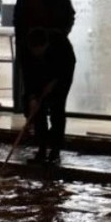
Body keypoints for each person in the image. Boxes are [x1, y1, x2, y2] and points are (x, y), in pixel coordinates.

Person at [13, 0, 75, 115]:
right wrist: (23, 40)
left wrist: (57, 36)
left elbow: (69, 16)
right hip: (29, 45)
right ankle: (36, 127)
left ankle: (53, 136)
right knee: (31, 91)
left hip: (53, 47)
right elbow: (18, 17)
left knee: (55, 103)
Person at [23, 27, 76, 165]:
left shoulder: (61, 45)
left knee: (57, 110)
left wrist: (54, 83)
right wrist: (33, 98)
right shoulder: (27, 52)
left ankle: (55, 150)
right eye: (34, 51)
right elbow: (28, 77)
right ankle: (41, 148)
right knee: (38, 111)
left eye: (39, 50)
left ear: (45, 45)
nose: (36, 53)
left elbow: (68, 66)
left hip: (61, 77)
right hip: (40, 78)